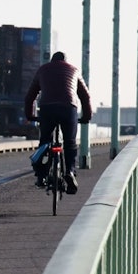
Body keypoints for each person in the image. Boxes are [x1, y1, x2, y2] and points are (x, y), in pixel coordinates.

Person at [24, 50, 93, 195]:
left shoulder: (42, 70)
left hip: (47, 108)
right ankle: (70, 172)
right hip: (68, 108)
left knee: (44, 141)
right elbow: (85, 97)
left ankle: (41, 175)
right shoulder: (74, 70)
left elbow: (30, 96)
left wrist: (29, 115)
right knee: (69, 142)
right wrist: (86, 116)